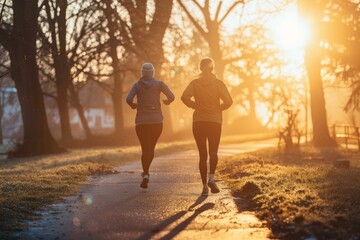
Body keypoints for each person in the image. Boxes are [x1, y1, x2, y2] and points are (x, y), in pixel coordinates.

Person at [181, 57, 233, 195]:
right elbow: (228, 101)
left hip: (199, 121)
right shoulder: (218, 84)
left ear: (200, 68)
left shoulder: (195, 83)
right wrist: (218, 109)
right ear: (212, 68)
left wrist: (194, 105)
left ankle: (204, 187)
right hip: (214, 121)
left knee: (202, 154)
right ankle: (212, 178)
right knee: (213, 151)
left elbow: (184, 97)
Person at [126, 63, 175, 189]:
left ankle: (146, 174)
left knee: (145, 148)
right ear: (153, 72)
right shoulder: (159, 84)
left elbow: (128, 99)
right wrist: (167, 102)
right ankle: (146, 172)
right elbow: (172, 96)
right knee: (151, 148)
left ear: (142, 72)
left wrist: (133, 105)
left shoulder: (136, 85)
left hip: (141, 122)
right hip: (157, 121)